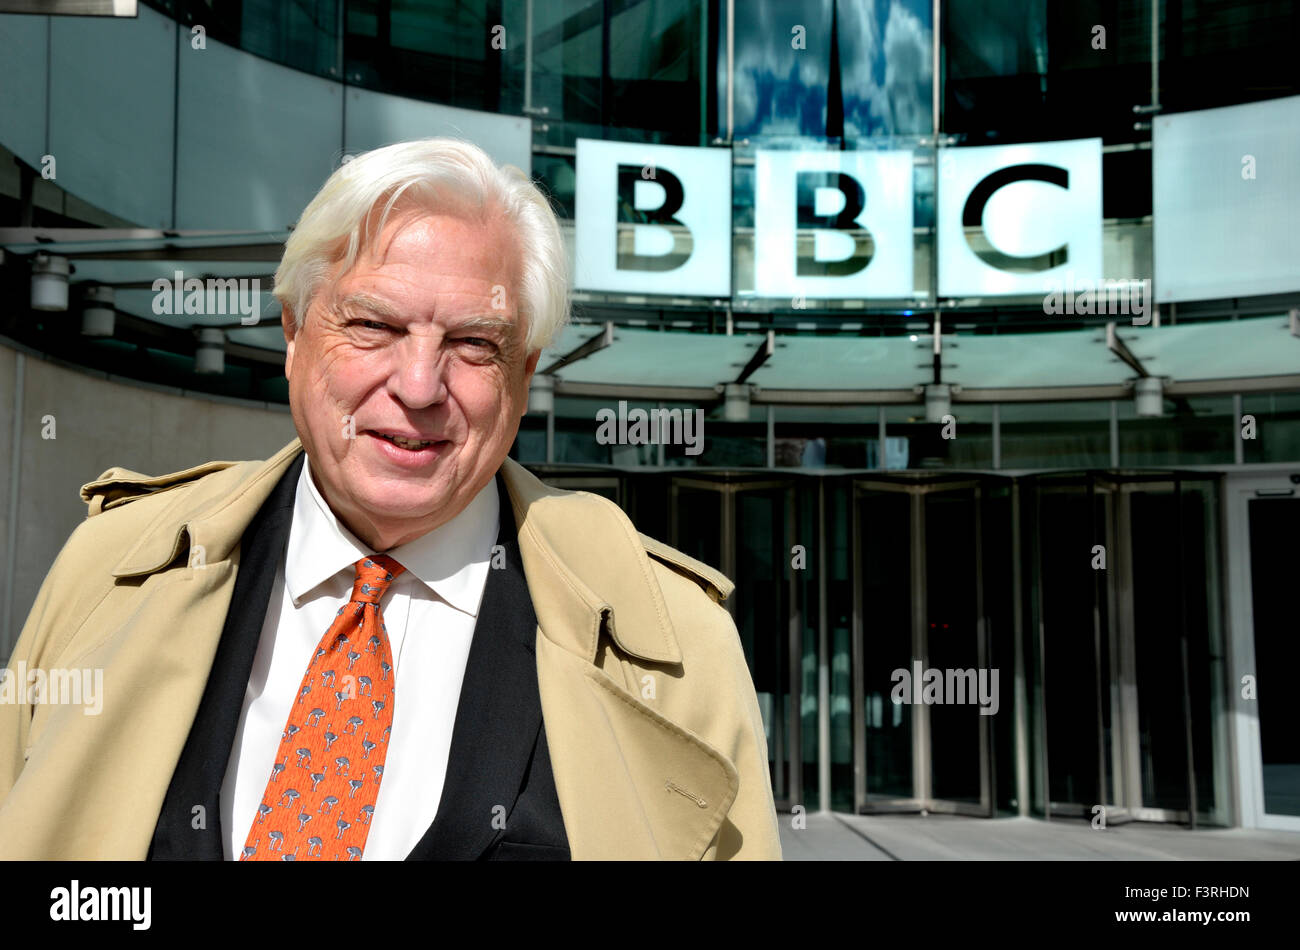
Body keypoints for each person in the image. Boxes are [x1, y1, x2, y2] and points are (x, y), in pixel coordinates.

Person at [0, 138, 781, 861]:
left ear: (525, 370)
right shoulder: (107, 569)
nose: (417, 388)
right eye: (372, 325)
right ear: (294, 333)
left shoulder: (681, 648)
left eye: (474, 343)